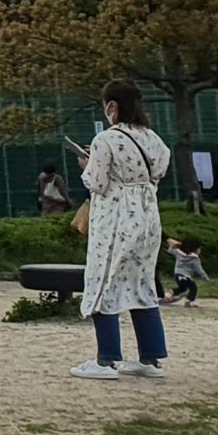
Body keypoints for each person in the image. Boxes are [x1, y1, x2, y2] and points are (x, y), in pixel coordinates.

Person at [72, 80, 172, 380]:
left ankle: (106, 360)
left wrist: (86, 165)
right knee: (141, 284)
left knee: (103, 281)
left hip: (115, 218)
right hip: (147, 218)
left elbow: (97, 182)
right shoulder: (153, 138)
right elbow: (159, 171)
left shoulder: (106, 138)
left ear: (112, 106)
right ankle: (150, 358)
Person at [168, 238, 208, 306]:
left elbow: (170, 250)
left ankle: (170, 293)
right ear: (195, 249)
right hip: (186, 276)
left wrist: (176, 245)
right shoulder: (194, 258)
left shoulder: (179, 253)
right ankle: (189, 301)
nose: (200, 250)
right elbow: (199, 269)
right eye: (199, 249)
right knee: (193, 288)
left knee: (183, 288)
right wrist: (205, 276)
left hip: (177, 275)